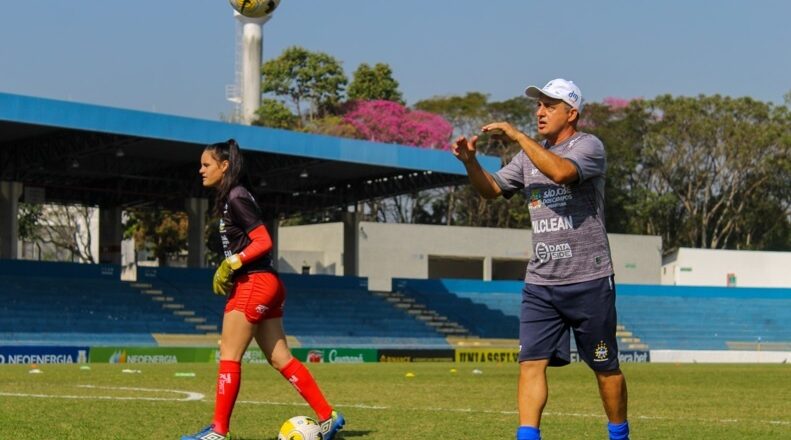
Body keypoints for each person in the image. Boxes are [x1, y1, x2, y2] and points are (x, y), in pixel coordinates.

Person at [451, 79, 629, 440]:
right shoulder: (528, 157)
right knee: (530, 364)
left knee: (605, 367)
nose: (540, 111)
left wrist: (518, 136)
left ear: (572, 113)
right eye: (539, 105)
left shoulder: (589, 146)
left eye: (550, 105)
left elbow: (561, 172)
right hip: (540, 283)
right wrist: (471, 163)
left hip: (588, 280)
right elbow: (493, 189)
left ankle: (619, 435)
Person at [182, 139, 345, 440]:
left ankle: (219, 431)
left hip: (254, 283)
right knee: (280, 357)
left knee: (229, 354)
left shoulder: (236, 196)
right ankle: (328, 416)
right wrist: (234, 265)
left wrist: (233, 262)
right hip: (267, 282)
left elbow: (264, 241)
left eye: (206, 165)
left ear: (224, 165)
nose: (200, 170)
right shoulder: (236, 195)